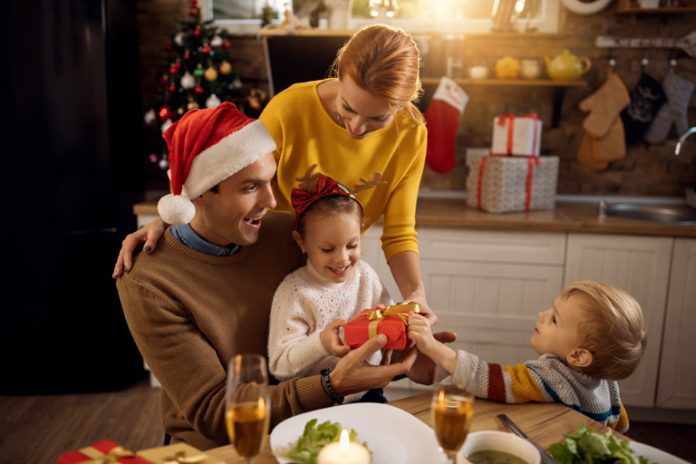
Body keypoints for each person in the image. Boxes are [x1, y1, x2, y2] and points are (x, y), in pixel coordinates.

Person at [116, 103, 429, 450]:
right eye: (251, 187)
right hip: (225, 446)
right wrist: (330, 385)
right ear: (202, 192)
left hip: (316, 420)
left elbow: (347, 305)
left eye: (269, 182)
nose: (270, 200)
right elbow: (214, 411)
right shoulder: (149, 282)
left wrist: (404, 351)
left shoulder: (283, 233)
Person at [113, 24, 436, 322]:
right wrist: (170, 220)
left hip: (330, 273)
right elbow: (230, 178)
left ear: (403, 104)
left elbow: (399, 232)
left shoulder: (411, 133)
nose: (356, 128)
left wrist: (416, 295)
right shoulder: (292, 107)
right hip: (262, 262)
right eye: (348, 108)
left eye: (378, 119)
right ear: (339, 75)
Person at [408, 280, 647, 433]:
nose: (541, 314)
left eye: (554, 319)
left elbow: (489, 379)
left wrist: (431, 346)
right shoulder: (608, 386)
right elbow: (620, 428)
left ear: (578, 356)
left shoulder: (553, 376)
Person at [267, 169, 392, 403]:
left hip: (367, 393)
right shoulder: (295, 292)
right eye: (328, 249)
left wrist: (409, 328)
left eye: (352, 245)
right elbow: (279, 365)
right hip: (314, 401)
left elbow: (389, 317)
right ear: (301, 242)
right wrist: (321, 343)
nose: (343, 259)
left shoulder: (366, 275)